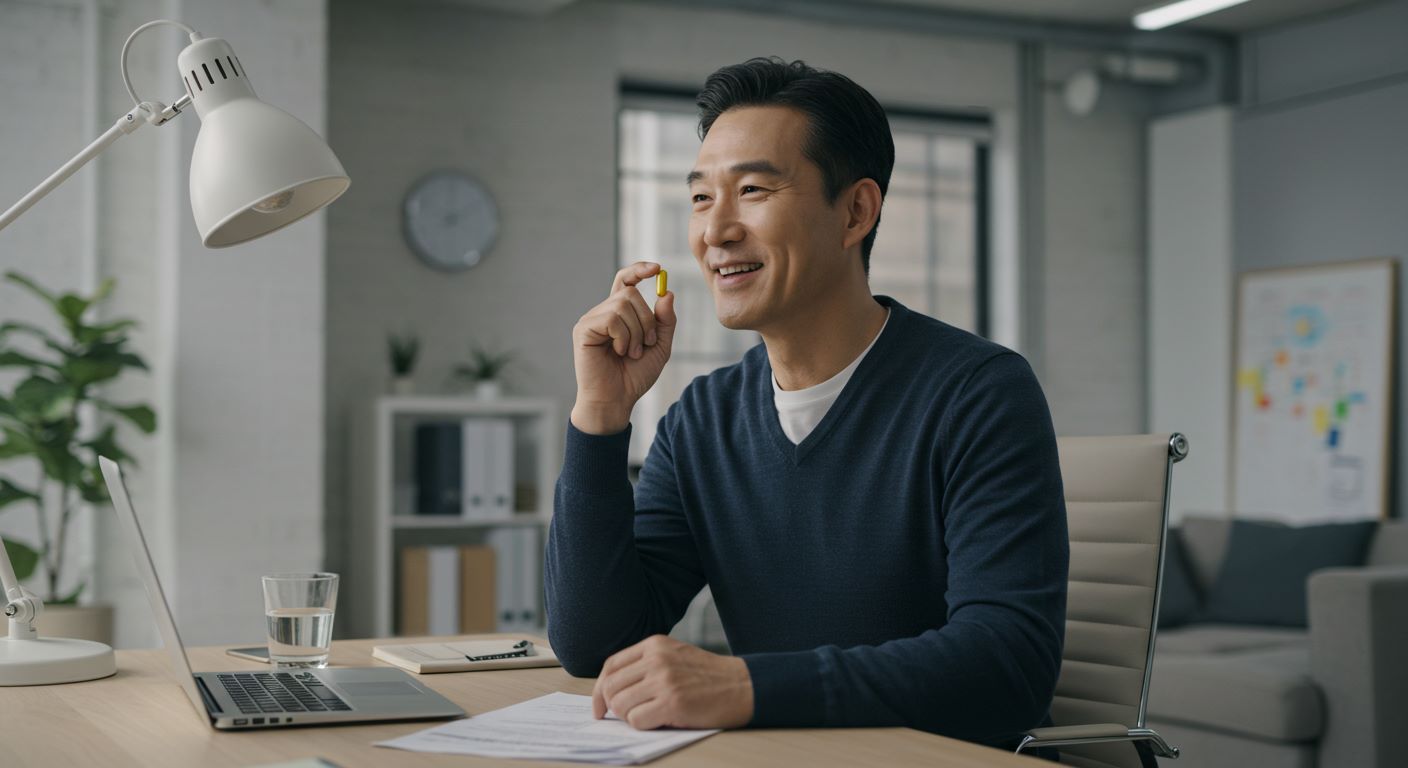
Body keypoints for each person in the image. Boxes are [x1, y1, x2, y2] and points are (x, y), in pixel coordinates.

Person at [545, 56, 1067, 749]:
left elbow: (1008, 665)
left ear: (856, 211)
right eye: (702, 198)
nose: (716, 231)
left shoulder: (978, 393)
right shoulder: (701, 421)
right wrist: (599, 418)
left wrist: (744, 686)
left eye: (753, 189)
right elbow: (596, 644)